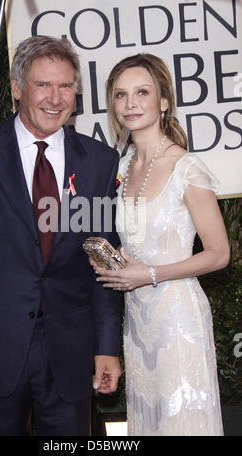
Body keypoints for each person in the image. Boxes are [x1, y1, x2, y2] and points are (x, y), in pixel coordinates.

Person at [0, 35, 121, 436]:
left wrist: (107, 345)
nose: (54, 99)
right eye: (43, 85)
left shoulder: (98, 162)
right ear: (17, 88)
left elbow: (103, 260)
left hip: (70, 350)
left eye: (65, 86)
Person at [93, 53, 230, 436]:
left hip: (178, 323)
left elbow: (220, 254)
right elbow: (134, 241)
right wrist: (112, 262)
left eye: (142, 92)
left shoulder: (187, 167)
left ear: (164, 101)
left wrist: (150, 273)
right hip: (137, 323)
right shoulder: (120, 168)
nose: (130, 103)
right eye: (120, 95)